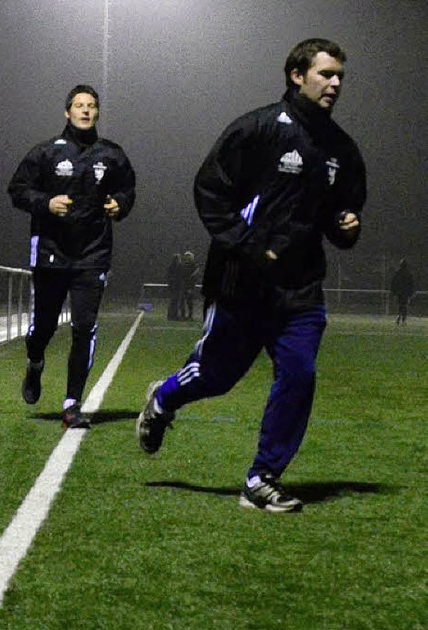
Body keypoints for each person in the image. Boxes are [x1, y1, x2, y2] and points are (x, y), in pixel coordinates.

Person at [136, 38, 366, 513]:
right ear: (296, 76)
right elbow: (209, 190)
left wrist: (346, 225)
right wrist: (247, 245)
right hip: (242, 283)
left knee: (299, 374)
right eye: (326, 74)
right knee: (216, 377)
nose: (335, 83)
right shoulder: (258, 129)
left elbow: (337, 212)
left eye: (340, 75)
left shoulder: (341, 148)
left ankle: (263, 478)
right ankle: (163, 397)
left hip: (301, 289)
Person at [8, 84, 136, 428]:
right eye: (79, 105)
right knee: (43, 327)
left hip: (93, 255)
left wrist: (120, 204)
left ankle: (72, 403)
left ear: (97, 112)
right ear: (67, 112)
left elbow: (128, 188)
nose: (85, 110)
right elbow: (17, 190)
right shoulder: (47, 153)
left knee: (84, 327)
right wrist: (46, 203)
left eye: (91, 105)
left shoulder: (112, 154)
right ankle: (35, 363)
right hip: (51, 252)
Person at [390, 259, 415, 325]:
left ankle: (398, 316)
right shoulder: (409, 273)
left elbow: (393, 283)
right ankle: (403, 320)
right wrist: (411, 293)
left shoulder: (397, 272)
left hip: (399, 292)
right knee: (405, 306)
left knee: (400, 306)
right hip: (406, 293)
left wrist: (393, 292)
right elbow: (412, 284)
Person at [180, 250, 199, 319]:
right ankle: (183, 315)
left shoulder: (194, 266)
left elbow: (194, 278)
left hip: (190, 286)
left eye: (189, 256)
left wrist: (190, 287)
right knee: (182, 301)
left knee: (189, 302)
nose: (187, 257)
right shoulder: (183, 265)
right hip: (183, 286)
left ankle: (190, 315)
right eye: (186, 256)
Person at [166, 252, 183, 321]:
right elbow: (170, 277)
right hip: (174, 287)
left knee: (175, 301)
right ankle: (172, 315)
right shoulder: (173, 267)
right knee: (174, 301)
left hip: (177, 286)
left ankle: (173, 315)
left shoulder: (179, 266)